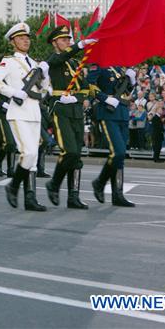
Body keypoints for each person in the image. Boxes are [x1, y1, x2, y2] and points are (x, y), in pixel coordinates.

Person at [0, 22, 51, 211]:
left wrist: (46, 80)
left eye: (27, 37)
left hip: (34, 112)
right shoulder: (10, 62)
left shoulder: (36, 64)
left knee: (33, 156)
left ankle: (30, 198)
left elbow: (45, 88)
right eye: (21, 38)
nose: (25, 40)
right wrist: (14, 92)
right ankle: (13, 186)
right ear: (13, 42)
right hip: (18, 112)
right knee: (28, 153)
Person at [42, 25, 95, 209]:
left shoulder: (74, 63)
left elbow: (86, 87)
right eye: (64, 40)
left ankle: (73, 196)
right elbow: (61, 57)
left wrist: (79, 97)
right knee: (69, 151)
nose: (67, 42)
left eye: (69, 40)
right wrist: (80, 45)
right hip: (60, 110)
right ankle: (54, 184)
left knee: (76, 156)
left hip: (76, 111)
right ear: (55, 43)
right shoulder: (53, 60)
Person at [88, 65, 136, 207]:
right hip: (108, 113)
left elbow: (125, 91)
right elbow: (90, 84)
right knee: (118, 152)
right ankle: (100, 182)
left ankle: (117, 194)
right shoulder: (99, 65)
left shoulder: (121, 69)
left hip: (122, 112)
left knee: (119, 156)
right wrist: (104, 98)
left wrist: (131, 80)